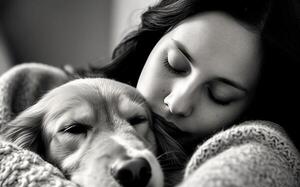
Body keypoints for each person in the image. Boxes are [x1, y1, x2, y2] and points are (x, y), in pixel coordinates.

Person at [87, 0, 300, 153]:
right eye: (174, 65)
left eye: (219, 95)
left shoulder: (263, 154)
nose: (177, 104)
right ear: (152, 43)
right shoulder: (64, 95)